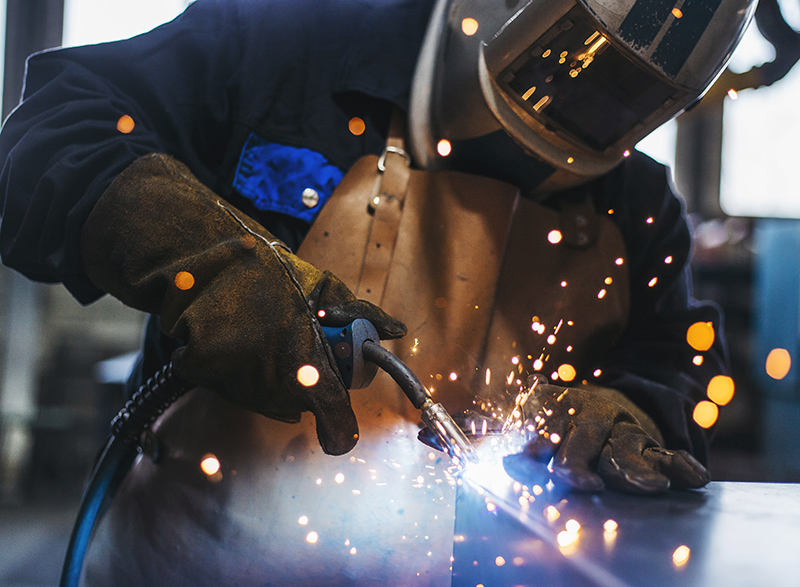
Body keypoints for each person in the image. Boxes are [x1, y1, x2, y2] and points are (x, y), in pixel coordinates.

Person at [0, 0, 753, 584]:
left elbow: (679, 360)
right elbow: (48, 135)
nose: (581, 104)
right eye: (568, 62)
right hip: (189, 557)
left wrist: (635, 406)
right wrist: (211, 262)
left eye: (627, 97)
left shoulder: (639, 206)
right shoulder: (289, 49)